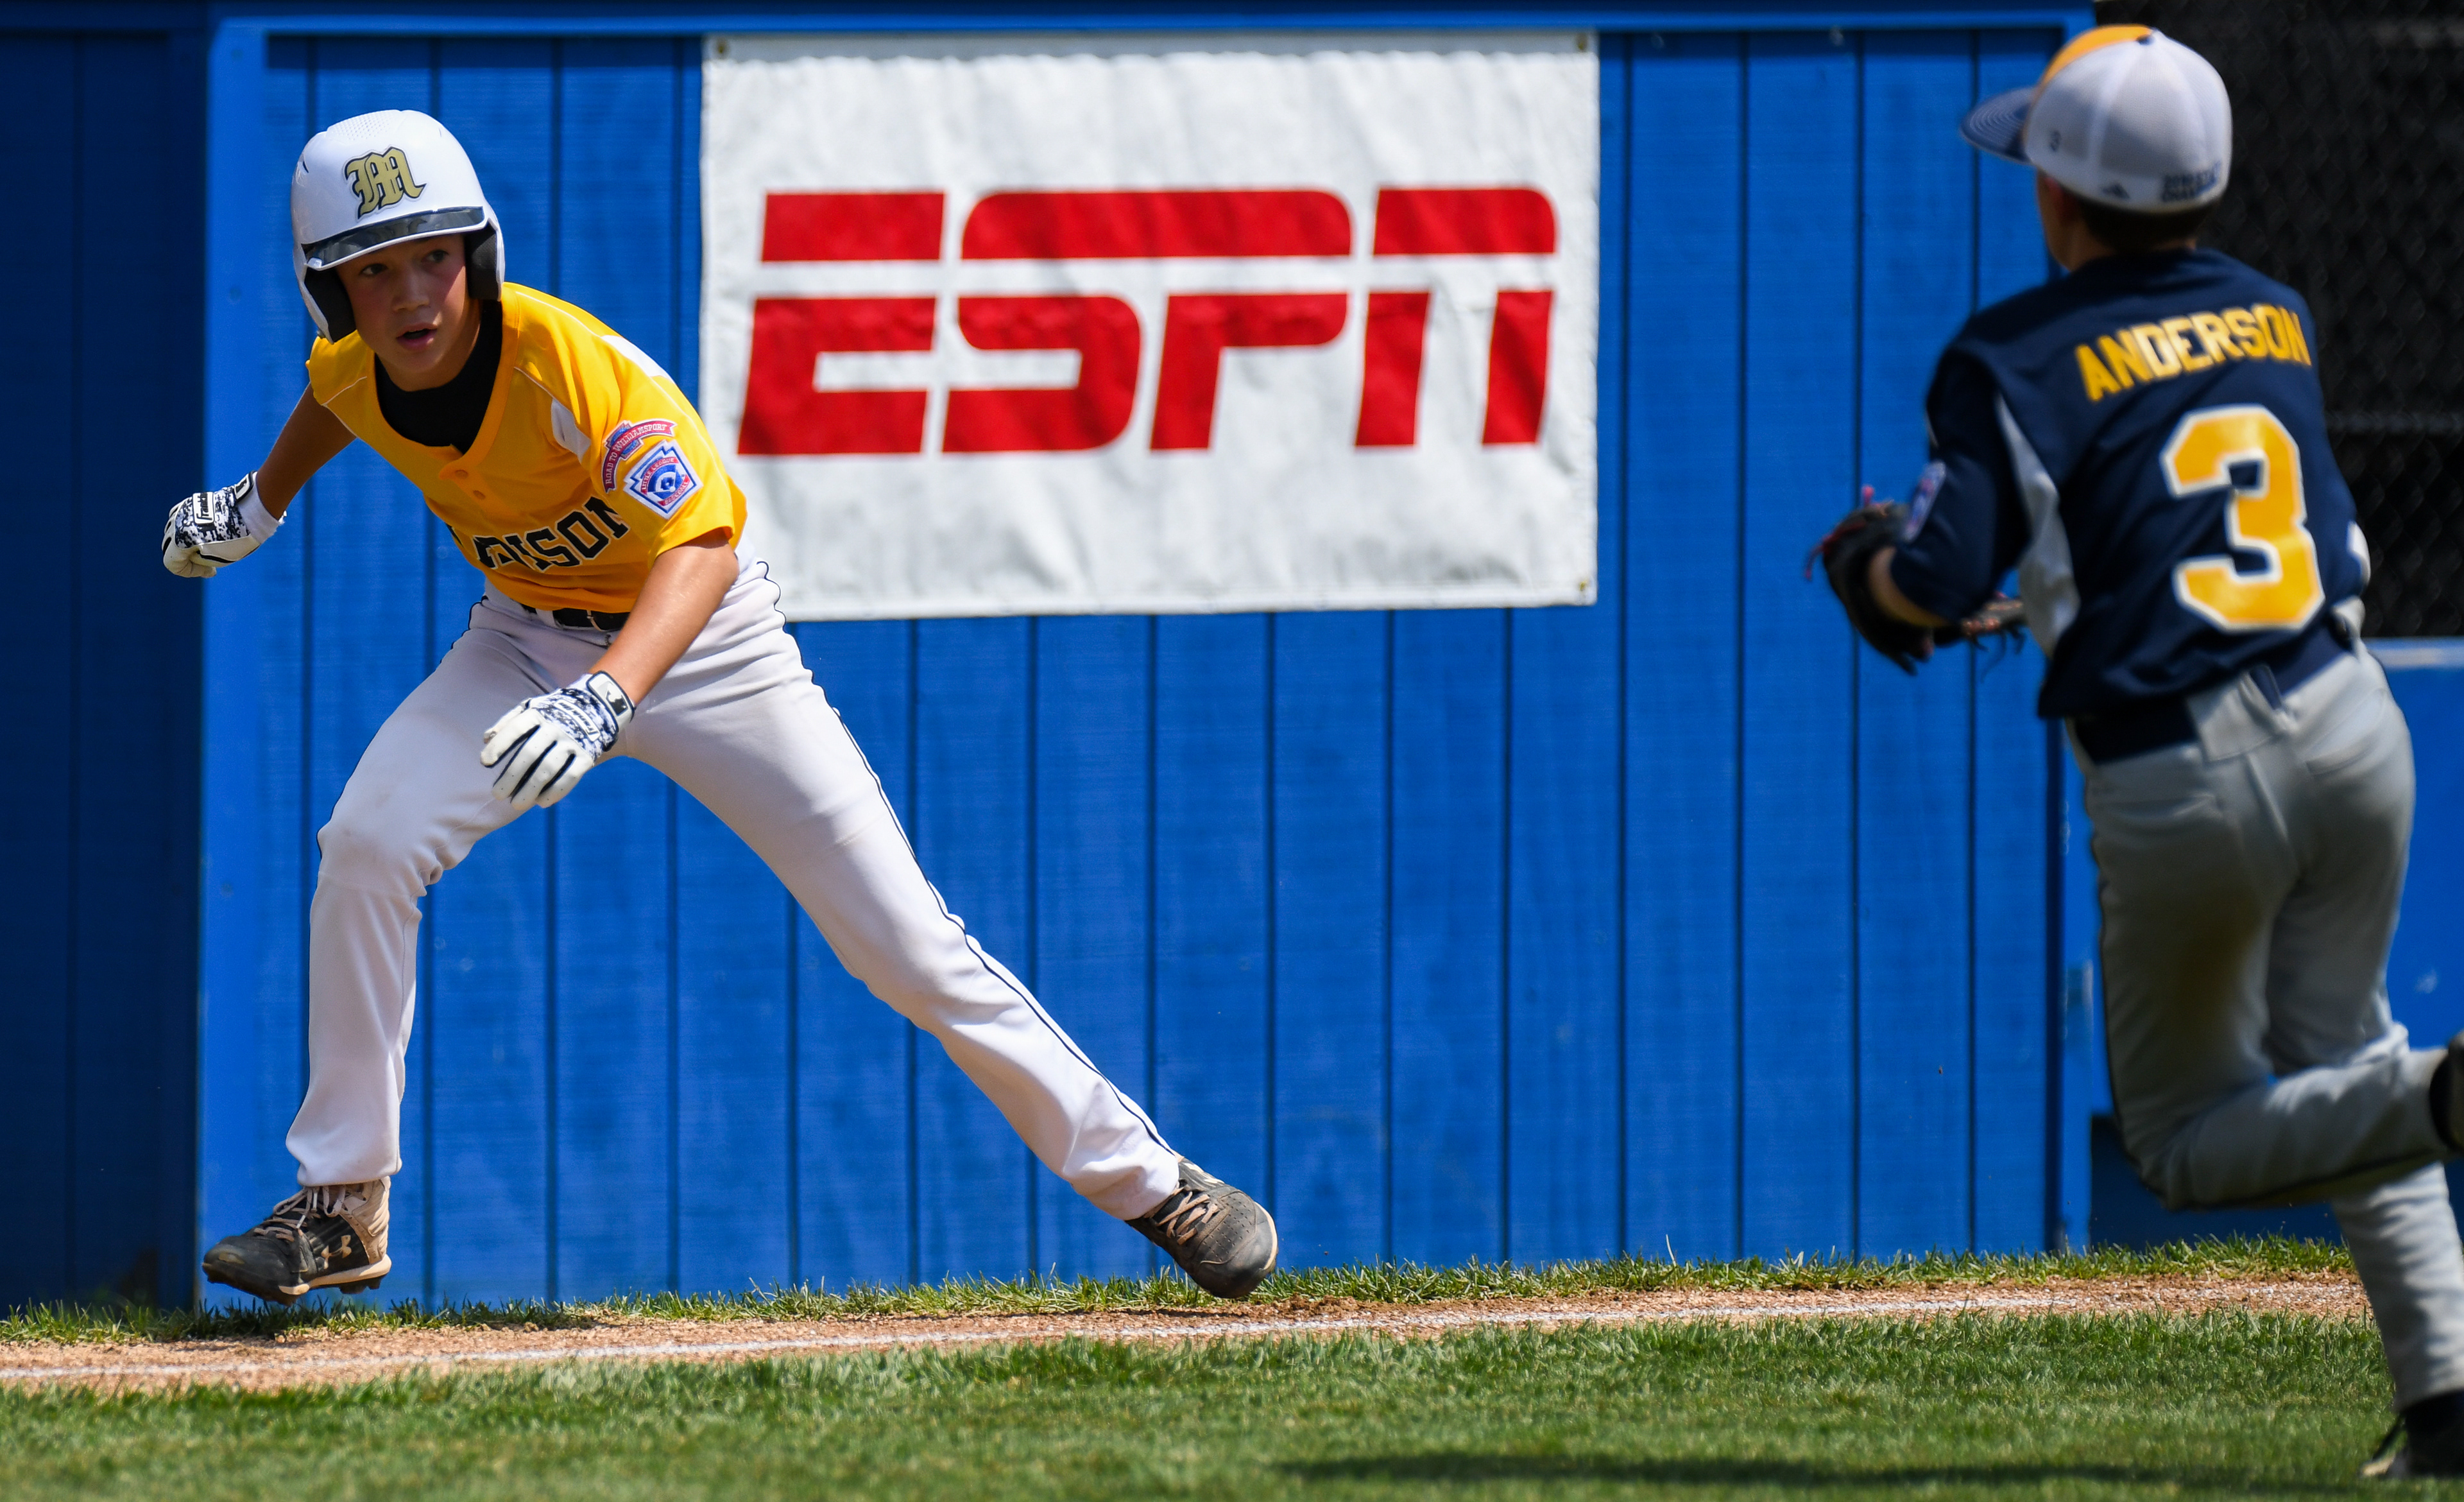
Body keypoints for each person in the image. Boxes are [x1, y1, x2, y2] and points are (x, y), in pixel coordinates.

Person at [166, 109, 1277, 1307]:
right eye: (370, 271)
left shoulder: (573, 368)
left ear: (477, 256)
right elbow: (341, 399)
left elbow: (698, 544)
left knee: (902, 943)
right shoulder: (354, 363)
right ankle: (341, 1207)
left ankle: (1158, 1186)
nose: (409, 294)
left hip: (705, 642)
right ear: (329, 292)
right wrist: (258, 501)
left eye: (431, 255)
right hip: (529, 637)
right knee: (368, 846)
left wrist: (607, 697)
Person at [1824, 26, 2464, 1477]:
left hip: (2189, 763)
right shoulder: (2276, 314)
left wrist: (1870, 569)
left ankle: (2446, 1100)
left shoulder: (2013, 356)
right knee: (2341, 1058)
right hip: (2353, 715)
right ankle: (2446, 1401)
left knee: (2184, 1138)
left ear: (2059, 191)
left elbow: (1930, 585)